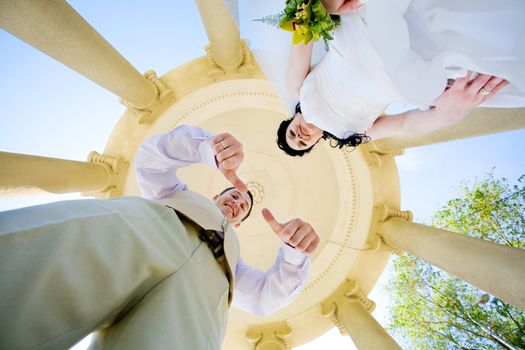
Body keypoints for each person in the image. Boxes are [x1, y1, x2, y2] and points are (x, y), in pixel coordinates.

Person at [0, 124, 319, 350]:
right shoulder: (175, 194)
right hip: (149, 227)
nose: (238, 201)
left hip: (205, 291)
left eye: (244, 204)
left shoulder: (237, 265)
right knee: (46, 254)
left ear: (241, 221)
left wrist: (294, 253)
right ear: (217, 195)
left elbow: (266, 298)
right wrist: (207, 149)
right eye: (235, 195)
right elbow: (151, 161)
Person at [273, 0, 525, 156]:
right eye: (302, 144)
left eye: (291, 133)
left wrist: (321, 5)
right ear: (315, 143)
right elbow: (405, 125)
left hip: (362, 36)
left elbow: (303, 32)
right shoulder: (350, 135)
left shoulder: (297, 89)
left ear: (293, 117)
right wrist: (445, 114)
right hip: (412, 75)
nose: (299, 136)